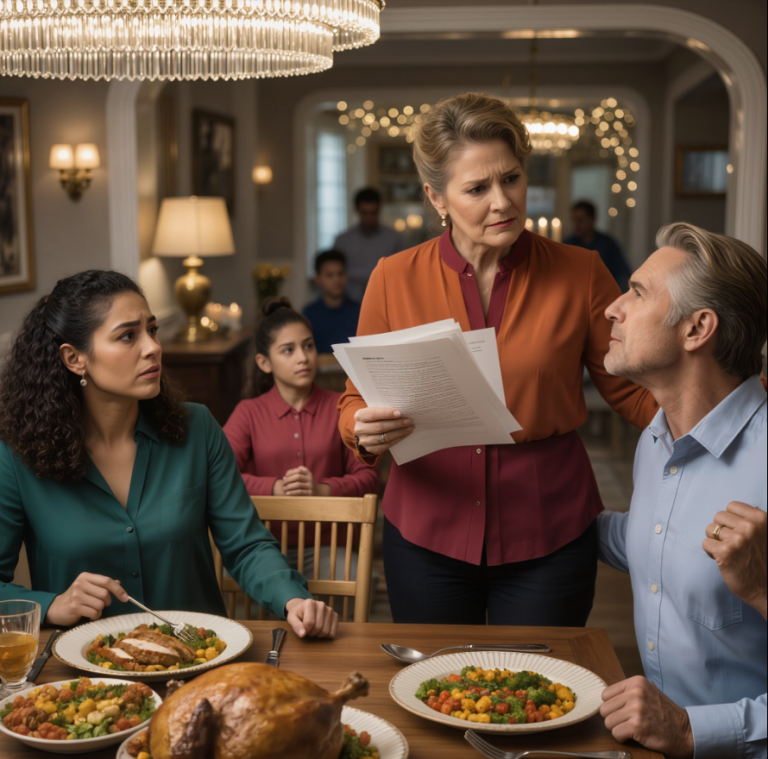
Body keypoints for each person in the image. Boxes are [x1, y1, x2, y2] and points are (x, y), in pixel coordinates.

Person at [338, 93, 658, 627]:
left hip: (549, 530)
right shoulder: (392, 278)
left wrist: (730, 418)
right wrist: (360, 428)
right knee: (433, 692)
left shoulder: (582, 273)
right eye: (477, 188)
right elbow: (356, 399)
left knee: (541, 697)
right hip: (424, 533)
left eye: (511, 178)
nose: (502, 201)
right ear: (436, 198)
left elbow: (630, 390)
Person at [0, 271, 338, 640]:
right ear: (74, 358)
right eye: (128, 335)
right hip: (89, 678)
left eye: (153, 330)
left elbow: (247, 544)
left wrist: (293, 599)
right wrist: (53, 605)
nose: (152, 347)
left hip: (201, 662)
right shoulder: (17, 456)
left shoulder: (198, 429)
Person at [598, 223, 767, 759]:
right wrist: (555, 514)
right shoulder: (657, 438)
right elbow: (653, 539)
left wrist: (693, 731)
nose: (612, 309)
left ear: (697, 329)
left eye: (639, 292)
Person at [224, 298, 378, 573]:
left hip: (331, 546)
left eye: (308, 345)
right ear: (264, 362)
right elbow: (219, 476)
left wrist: (322, 489)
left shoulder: (341, 406)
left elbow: (368, 477)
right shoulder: (248, 412)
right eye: (288, 350)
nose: (303, 357)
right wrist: (275, 489)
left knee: (352, 572)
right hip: (262, 544)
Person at [333, 188, 407, 301]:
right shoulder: (343, 241)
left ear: (379, 210)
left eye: (374, 213)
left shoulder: (394, 239)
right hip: (349, 303)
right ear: (356, 211)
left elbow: (404, 271)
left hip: (386, 299)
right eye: (365, 213)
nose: (369, 218)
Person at [564, 200, 632, 292]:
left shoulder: (608, 244)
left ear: (592, 219)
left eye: (580, 220)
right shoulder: (567, 245)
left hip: (604, 297)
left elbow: (623, 273)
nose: (576, 225)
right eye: (573, 220)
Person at [302, 250, 361, 354]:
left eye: (340, 273)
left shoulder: (359, 311)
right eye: (329, 275)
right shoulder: (308, 314)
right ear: (317, 279)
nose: (336, 280)